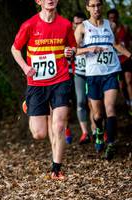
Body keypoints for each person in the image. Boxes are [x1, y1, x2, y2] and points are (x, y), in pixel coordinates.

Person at [11, 0, 76, 179]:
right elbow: (15, 49)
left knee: (59, 125)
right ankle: (29, 105)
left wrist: (71, 51)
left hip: (60, 80)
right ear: (38, 1)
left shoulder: (65, 24)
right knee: (39, 134)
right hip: (37, 84)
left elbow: (73, 46)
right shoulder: (29, 25)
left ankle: (57, 168)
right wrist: (25, 67)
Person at [74, 0, 132, 160]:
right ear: (87, 8)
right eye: (92, 5)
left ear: (102, 7)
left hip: (111, 72)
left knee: (110, 108)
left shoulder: (110, 25)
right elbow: (72, 51)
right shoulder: (82, 27)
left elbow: (116, 45)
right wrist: (88, 49)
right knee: (98, 114)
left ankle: (111, 143)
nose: (96, 8)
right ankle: (99, 131)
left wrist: (130, 55)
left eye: (98, 5)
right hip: (93, 75)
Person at [72, 11, 96, 144]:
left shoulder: (91, 34)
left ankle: (95, 129)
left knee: (93, 103)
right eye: (76, 23)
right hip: (79, 74)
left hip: (93, 72)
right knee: (80, 102)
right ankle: (84, 133)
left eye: (81, 23)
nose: (78, 25)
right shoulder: (70, 36)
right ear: (73, 24)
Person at [107, 8, 132, 116]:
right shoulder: (107, 31)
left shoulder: (125, 28)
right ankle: (127, 101)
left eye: (114, 17)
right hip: (115, 61)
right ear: (108, 19)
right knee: (121, 85)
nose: (113, 19)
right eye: (110, 18)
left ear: (117, 17)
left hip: (126, 59)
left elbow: (130, 42)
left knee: (129, 80)